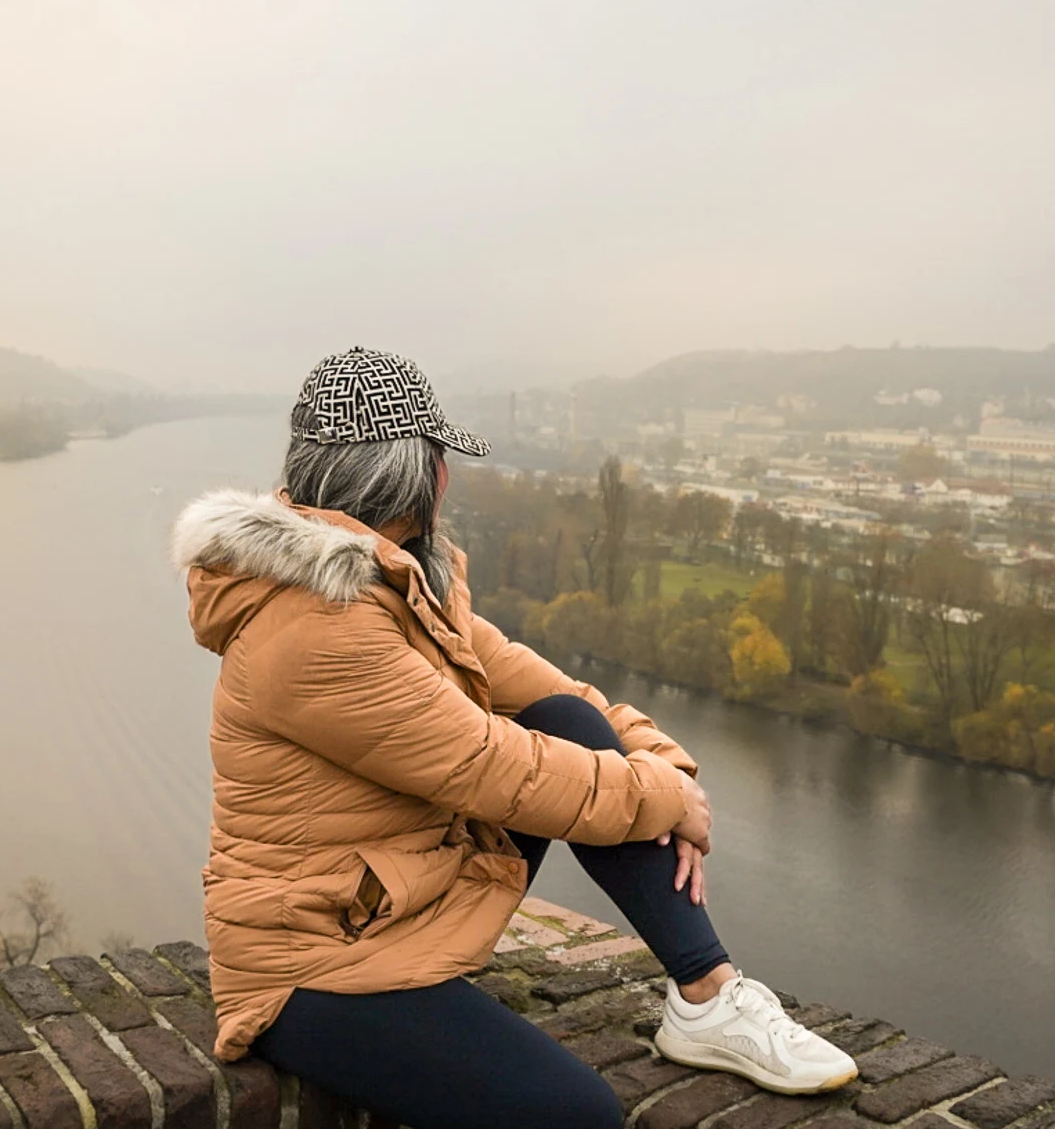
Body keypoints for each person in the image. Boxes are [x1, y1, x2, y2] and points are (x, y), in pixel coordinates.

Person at [172, 346, 857, 1129]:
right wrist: (667, 800)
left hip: (391, 901)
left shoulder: (394, 582)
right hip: (316, 963)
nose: (447, 481)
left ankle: (706, 997)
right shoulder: (318, 626)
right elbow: (502, 772)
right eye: (439, 461)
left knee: (567, 724)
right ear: (417, 476)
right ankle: (698, 999)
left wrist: (666, 765)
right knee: (577, 1116)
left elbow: (549, 694)